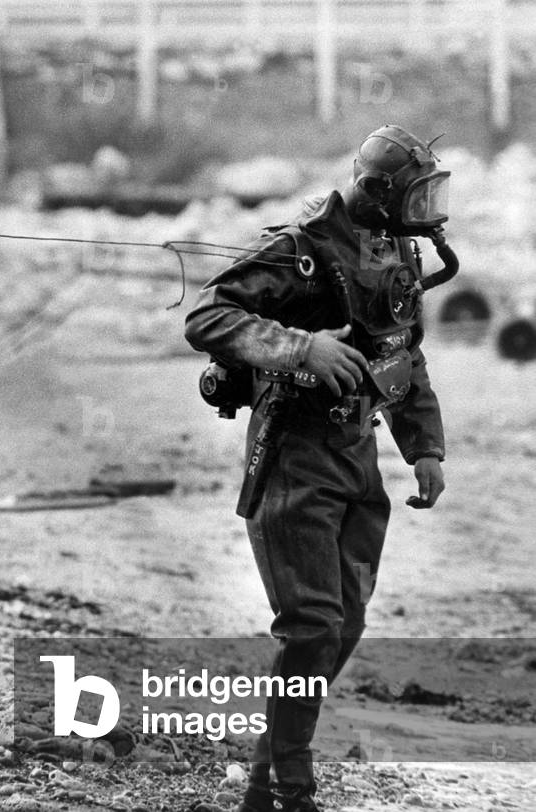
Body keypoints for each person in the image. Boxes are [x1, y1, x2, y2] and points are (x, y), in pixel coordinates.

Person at [184, 125, 452, 812]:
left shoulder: (391, 249)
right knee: (310, 625)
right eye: (417, 194)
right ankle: (290, 788)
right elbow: (209, 314)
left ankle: (261, 780)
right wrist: (300, 348)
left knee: (344, 625)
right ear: (374, 191)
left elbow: (402, 356)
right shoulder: (299, 250)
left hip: (356, 460)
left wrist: (422, 445)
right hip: (294, 458)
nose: (428, 209)